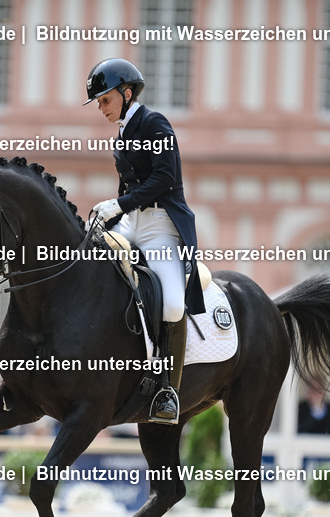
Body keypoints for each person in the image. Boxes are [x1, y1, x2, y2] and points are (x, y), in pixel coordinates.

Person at [84, 58, 205, 424]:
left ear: (126, 92)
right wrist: (112, 213)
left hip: (159, 225)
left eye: (105, 100)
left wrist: (117, 203)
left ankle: (168, 388)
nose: (102, 108)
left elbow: (165, 179)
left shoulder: (155, 124)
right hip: (131, 223)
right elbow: (129, 187)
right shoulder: (121, 132)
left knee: (170, 304)